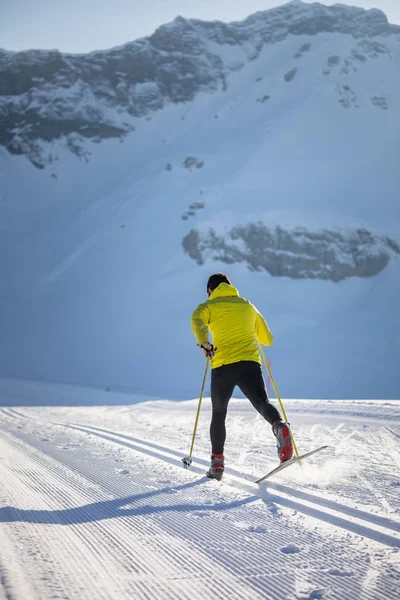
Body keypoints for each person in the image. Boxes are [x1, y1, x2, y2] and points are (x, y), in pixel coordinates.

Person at [190, 272, 293, 480]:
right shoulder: (247, 305)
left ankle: (217, 466)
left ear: (211, 290)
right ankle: (280, 427)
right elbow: (268, 339)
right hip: (250, 364)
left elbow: (196, 320)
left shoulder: (208, 306)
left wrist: (204, 342)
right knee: (262, 402)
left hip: (223, 366)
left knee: (219, 414)